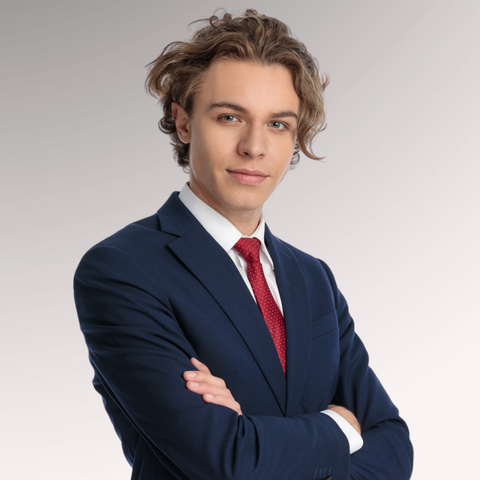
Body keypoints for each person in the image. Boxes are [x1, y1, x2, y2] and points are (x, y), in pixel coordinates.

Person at [74, 10, 413, 480]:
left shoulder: (313, 277)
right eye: (230, 117)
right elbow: (223, 461)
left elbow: (394, 447)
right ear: (184, 122)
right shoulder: (122, 270)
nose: (254, 147)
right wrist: (340, 427)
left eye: (278, 124)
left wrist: (252, 434)